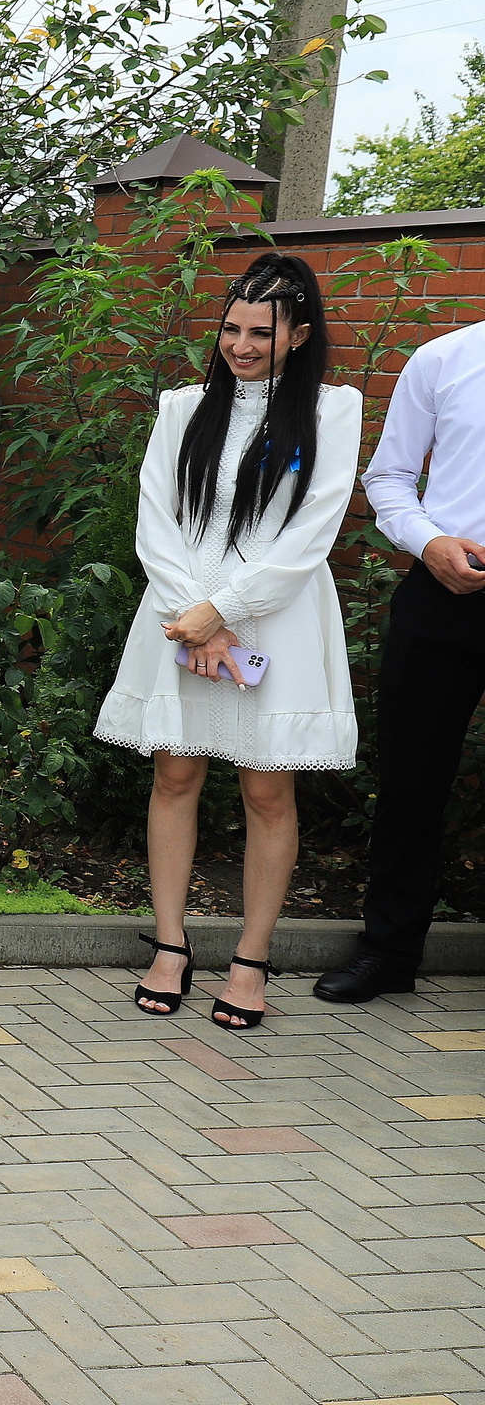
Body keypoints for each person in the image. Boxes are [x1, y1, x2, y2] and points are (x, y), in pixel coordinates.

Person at [99, 254, 361, 1029]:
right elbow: (156, 514)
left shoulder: (332, 410)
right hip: (180, 617)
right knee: (175, 777)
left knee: (265, 789)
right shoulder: (183, 407)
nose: (240, 346)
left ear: (300, 334)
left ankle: (251, 960)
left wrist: (227, 612)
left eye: (260, 332)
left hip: (275, 615)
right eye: (230, 328)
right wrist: (194, 615)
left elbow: (313, 530)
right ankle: (171, 945)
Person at [320, 299, 485, 1003]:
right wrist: (430, 543)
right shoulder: (445, 359)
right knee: (413, 781)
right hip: (444, 593)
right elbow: (386, 478)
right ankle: (388, 953)